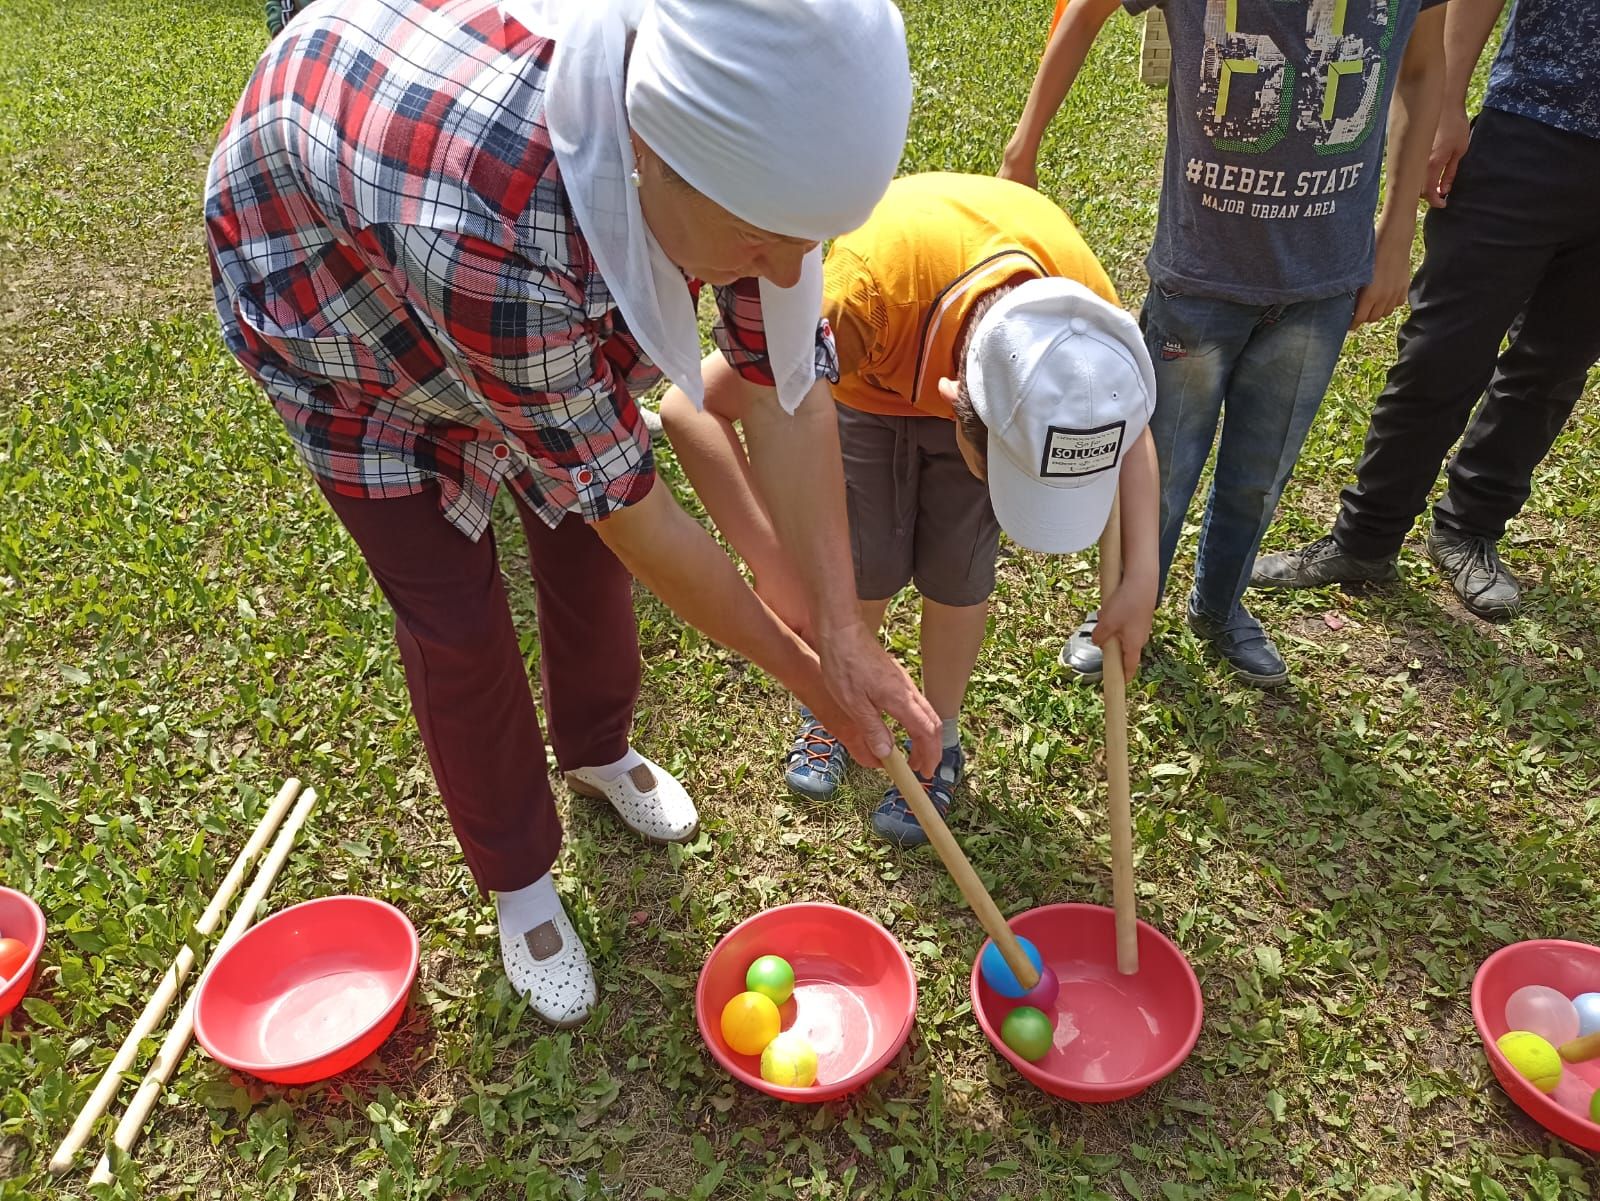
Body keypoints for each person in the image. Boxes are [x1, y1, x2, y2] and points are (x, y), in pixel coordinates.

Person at [204, 0, 941, 1027]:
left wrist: (843, 628)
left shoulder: (747, 156)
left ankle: (595, 749)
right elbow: (629, 505)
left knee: (583, 546)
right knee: (456, 619)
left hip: (503, 271)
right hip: (342, 302)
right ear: (649, 150)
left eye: (809, 243)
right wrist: (803, 674)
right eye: (768, 240)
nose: (786, 269)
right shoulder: (490, 222)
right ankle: (519, 878)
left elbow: (787, 392)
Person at [662, 173, 1160, 846]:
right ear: (957, 401)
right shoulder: (857, 304)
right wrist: (776, 566)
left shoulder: (1087, 333)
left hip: (968, 356)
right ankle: (838, 704)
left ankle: (940, 735)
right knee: (860, 561)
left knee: (958, 573)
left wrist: (1141, 577)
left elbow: (1133, 430)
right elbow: (689, 408)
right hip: (871, 380)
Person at [1001, 0, 1445, 687]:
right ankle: (1124, 607)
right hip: (1201, 278)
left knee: (1259, 476)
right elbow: (1084, 13)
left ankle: (1219, 604)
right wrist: (1020, 152)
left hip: (1323, 280)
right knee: (1162, 465)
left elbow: (1420, 67)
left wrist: (1395, 233)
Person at [1252, 0, 1600, 622]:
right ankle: (1365, 539)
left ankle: (1469, 529)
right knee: (1443, 347)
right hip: (1530, 126)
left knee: (1555, 365)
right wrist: (1446, 101)